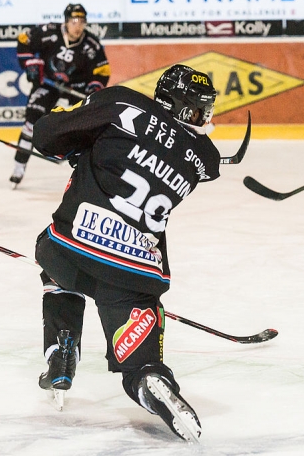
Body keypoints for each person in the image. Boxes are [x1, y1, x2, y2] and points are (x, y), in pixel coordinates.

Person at [31, 64, 220, 442]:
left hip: (72, 247)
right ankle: (151, 378)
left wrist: (83, 143)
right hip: (137, 272)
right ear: (182, 107)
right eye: (199, 109)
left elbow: (47, 136)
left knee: (52, 260)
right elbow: (160, 155)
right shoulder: (205, 159)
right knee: (141, 366)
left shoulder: (122, 103)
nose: (204, 117)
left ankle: (61, 346)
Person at [10, 3, 110, 187]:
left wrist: (93, 89)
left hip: (76, 87)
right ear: (65, 21)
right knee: (32, 120)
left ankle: (81, 166)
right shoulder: (49, 31)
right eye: (74, 20)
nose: (78, 25)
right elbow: (24, 40)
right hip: (49, 83)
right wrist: (32, 63)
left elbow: (102, 71)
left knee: (86, 125)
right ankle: (19, 167)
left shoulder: (92, 44)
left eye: (82, 21)